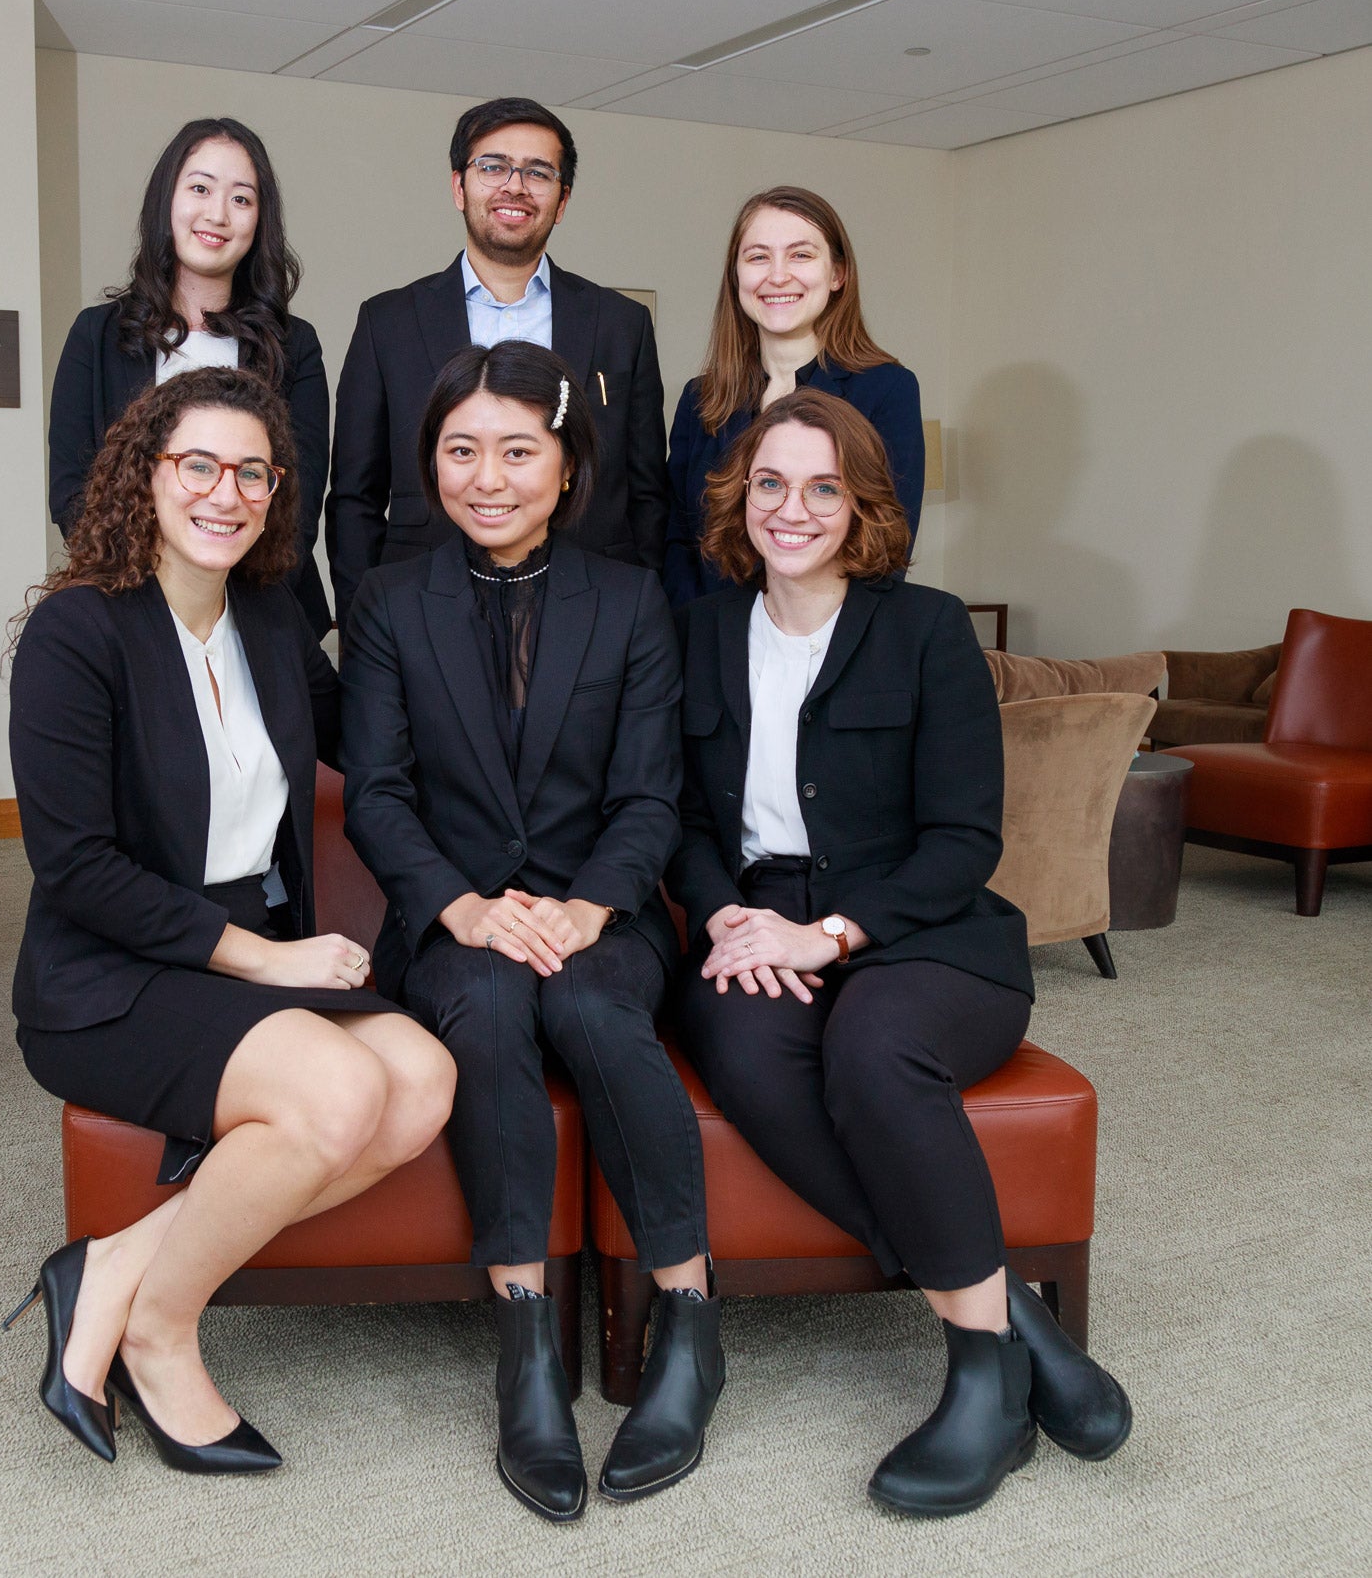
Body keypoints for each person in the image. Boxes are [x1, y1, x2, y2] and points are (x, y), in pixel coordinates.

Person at [668, 386, 1131, 1517]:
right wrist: (726, 913)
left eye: (823, 487)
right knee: (739, 1043)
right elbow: (672, 814)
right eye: (770, 482)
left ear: (860, 503)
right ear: (739, 495)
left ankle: (978, 1375)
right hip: (759, 914)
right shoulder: (695, 629)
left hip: (923, 930)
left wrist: (829, 933)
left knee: (872, 1052)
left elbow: (963, 841)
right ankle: (1016, 1315)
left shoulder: (925, 630)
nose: (792, 507)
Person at [5, 365, 455, 1475]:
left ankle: (110, 1269)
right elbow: (75, 867)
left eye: (251, 471)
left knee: (423, 1080)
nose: (226, 491)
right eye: (196, 464)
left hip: (246, 953)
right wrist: (264, 955)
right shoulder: (76, 633)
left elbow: (381, 750)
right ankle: (162, 1329)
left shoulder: (266, 616)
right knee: (344, 1088)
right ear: (143, 476)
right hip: (110, 972)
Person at [340, 342, 719, 1522]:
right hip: (454, 911)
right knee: (492, 1002)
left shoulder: (628, 596)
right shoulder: (392, 600)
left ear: (567, 468)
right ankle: (526, 1342)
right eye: (460, 450)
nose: (486, 476)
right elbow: (378, 792)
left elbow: (651, 794)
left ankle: (691, 1320)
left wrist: (587, 904)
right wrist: (459, 905)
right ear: (430, 465)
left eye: (517, 450)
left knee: (589, 998)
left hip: (594, 905)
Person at [326, 96, 668, 627]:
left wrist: (643, 612)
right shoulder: (388, 322)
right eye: (493, 167)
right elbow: (353, 497)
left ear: (563, 199)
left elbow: (648, 491)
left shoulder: (621, 324)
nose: (515, 186)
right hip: (423, 606)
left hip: (591, 606)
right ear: (459, 187)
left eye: (538, 172)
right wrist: (361, 621)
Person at [46, 117, 334, 635]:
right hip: (126, 605)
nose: (217, 214)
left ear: (260, 221)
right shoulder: (97, 335)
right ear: (166, 202)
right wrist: (158, 593)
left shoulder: (296, 346)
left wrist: (216, 597)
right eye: (200, 188)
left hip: (267, 610)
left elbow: (300, 503)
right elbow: (72, 489)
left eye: (242, 199)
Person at [663, 186, 924, 606]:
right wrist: (700, 633)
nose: (778, 275)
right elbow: (677, 538)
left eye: (801, 255)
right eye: (758, 256)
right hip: (712, 642)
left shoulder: (887, 389)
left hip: (832, 644)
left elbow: (887, 546)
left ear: (838, 273)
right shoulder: (701, 398)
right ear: (736, 274)